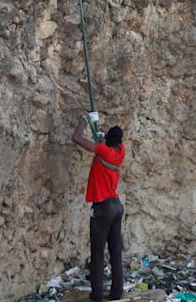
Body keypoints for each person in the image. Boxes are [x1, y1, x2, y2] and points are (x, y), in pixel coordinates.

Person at [71, 112, 125, 302]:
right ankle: (117, 293)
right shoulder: (120, 150)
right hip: (117, 206)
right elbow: (105, 141)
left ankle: (96, 296)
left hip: (103, 208)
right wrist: (101, 134)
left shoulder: (103, 151)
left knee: (97, 254)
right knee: (116, 252)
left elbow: (76, 138)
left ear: (107, 141)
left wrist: (84, 120)